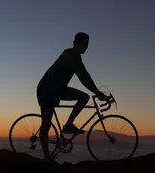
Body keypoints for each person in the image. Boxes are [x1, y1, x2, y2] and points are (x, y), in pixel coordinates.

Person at [36, 32, 108, 164]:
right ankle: (46, 158)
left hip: (57, 89)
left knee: (83, 97)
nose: (86, 47)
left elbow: (84, 75)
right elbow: (83, 76)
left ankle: (68, 125)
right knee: (46, 124)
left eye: (87, 45)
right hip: (47, 89)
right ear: (75, 43)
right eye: (84, 44)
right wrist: (98, 92)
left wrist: (97, 91)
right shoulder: (71, 55)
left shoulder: (76, 56)